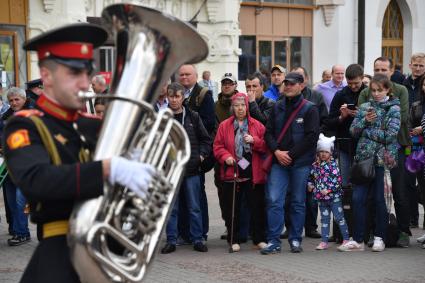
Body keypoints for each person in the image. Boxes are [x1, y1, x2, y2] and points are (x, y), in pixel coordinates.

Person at [3, 23, 155, 283]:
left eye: (87, 72)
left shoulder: (94, 126)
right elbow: (37, 180)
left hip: (109, 252)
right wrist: (108, 168)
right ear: (46, 75)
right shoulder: (26, 124)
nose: (85, 82)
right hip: (60, 252)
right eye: (74, 73)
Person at [261, 72, 320, 255]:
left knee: (297, 202)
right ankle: (273, 241)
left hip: (300, 163)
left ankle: (295, 239)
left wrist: (291, 155)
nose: (287, 86)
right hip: (279, 162)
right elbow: (268, 133)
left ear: (301, 86)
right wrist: (277, 152)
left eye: (292, 83)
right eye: (286, 83)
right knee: (273, 200)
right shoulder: (277, 106)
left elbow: (312, 137)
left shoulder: (310, 108)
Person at [342, 74, 401, 252]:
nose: (376, 94)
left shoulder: (394, 108)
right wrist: (365, 121)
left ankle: (379, 237)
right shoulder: (365, 107)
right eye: (373, 90)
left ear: (387, 90)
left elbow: (390, 135)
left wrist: (367, 131)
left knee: (379, 200)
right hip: (363, 160)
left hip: (382, 160)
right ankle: (358, 239)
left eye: (380, 90)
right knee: (358, 199)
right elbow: (353, 131)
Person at [357, 56, 411, 247]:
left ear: (391, 70)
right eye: (376, 69)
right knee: (374, 195)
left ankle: (404, 231)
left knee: (399, 192)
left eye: (383, 70)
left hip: (397, 148)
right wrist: (371, 122)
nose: (380, 73)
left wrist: (373, 123)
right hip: (372, 152)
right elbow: (360, 116)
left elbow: (402, 116)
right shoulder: (366, 92)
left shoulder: (401, 90)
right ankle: (374, 231)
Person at [161, 83, 212, 254]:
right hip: (170, 172)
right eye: (171, 96)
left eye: (177, 96)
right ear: (167, 97)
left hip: (191, 170)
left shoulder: (193, 116)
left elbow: (206, 140)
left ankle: (197, 239)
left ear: (183, 97)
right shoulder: (161, 118)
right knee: (171, 208)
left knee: (194, 207)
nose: (174, 100)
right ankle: (171, 240)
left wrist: (201, 157)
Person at [214, 92, 267, 252]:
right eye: (236, 106)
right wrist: (226, 156)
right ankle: (234, 239)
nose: (240, 109)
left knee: (257, 207)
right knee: (233, 208)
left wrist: (254, 141)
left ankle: (259, 239)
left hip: (253, 173)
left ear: (247, 106)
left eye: (243, 105)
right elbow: (217, 146)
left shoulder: (257, 125)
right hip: (232, 171)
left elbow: (266, 146)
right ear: (232, 108)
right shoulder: (224, 126)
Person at [326, 64, 367, 186]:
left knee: (364, 181)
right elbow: (329, 122)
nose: (353, 86)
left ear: (362, 78)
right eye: (349, 84)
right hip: (345, 144)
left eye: (356, 83)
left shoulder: (370, 93)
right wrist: (341, 117)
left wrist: (362, 115)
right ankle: (345, 204)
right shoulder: (340, 95)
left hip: (365, 144)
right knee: (344, 182)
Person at [308, 134, 349, 250]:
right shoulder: (315, 166)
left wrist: (330, 190)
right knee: (324, 220)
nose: (323, 154)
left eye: (326, 152)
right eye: (321, 151)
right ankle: (324, 241)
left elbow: (338, 181)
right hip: (321, 198)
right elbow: (311, 177)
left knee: (339, 218)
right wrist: (310, 185)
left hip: (334, 197)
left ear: (330, 153)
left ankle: (346, 238)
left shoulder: (333, 165)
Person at [2, 87, 32, 246]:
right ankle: (18, 230)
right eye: (11, 100)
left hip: (26, 166)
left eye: (17, 99)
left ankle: (22, 232)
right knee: (12, 202)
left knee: (22, 201)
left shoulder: (33, 115)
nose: (14, 103)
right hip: (8, 167)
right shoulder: (5, 117)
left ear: (24, 99)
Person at [403, 53, 425, 228]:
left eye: (421, 66)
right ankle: (412, 218)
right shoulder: (404, 83)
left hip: (421, 137)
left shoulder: (423, 84)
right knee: (409, 179)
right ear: (410, 65)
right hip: (412, 142)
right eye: (415, 65)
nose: (418, 68)